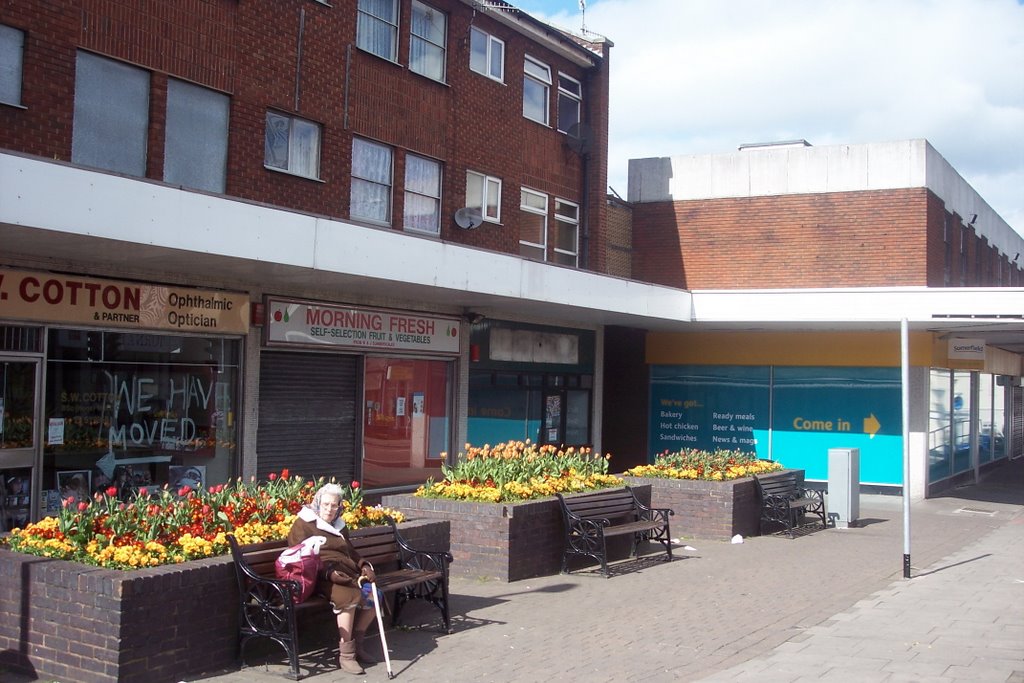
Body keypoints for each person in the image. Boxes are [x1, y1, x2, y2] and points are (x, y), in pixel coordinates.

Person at [287, 483, 378, 675]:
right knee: (348, 596)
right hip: (317, 577)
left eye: (334, 505)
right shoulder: (304, 523)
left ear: (340, 507)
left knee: (374, 595)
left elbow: (350, 551)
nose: (329, 509)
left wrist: (364, 565)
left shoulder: (339, 525)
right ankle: (347, 655)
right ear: (318, 503)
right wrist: (327, 573)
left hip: (346, 573)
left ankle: (358, 645)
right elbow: (298, 555)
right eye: (326, 504)